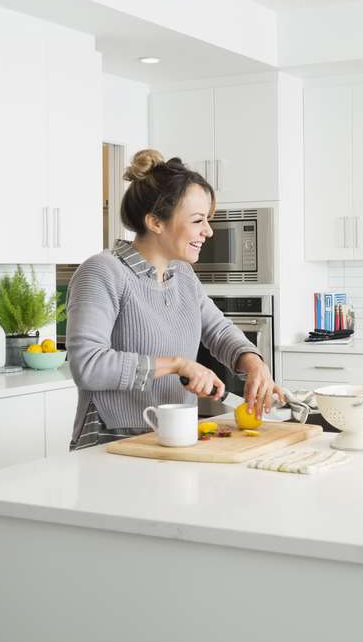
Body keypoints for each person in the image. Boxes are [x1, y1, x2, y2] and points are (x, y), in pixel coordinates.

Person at [64, 149, 280, 449]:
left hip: (174, 435)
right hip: (112, 439)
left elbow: (218, 330)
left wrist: (254, 363)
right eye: (197, 220)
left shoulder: (182, 275)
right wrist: (178, 364)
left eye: (208, 220)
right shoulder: (103, 272)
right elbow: (87, 365)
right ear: (155, 222)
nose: (208, 231)